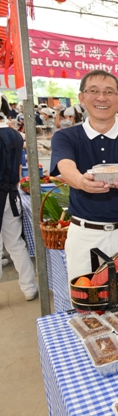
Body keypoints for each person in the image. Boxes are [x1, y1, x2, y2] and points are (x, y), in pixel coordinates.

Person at [50, 70, 118, 285]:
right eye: (93, 91)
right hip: (84, 235)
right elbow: (65, 165)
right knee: (86, 298)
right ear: (82, 98)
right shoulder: (65, 136)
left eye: (109, 92)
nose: (101, 98)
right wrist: (80, 182)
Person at [0, 96, 38, 301]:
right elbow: (19, 166)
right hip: (11, 193)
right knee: (15, 243)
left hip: (4, 191)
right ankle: (29, 287)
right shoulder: (14, 134)